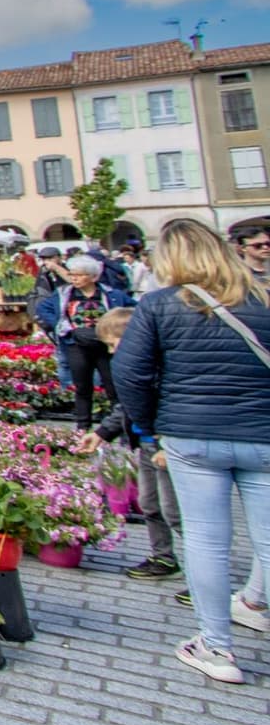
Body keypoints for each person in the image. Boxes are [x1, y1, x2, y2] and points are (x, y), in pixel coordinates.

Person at [112, 219, 270, 684]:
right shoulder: (262, 298)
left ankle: (217, 644)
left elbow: (131, 373)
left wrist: (153, 424)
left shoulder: (161, 303)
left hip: (192, 432)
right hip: (262, 430)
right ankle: (255, 602)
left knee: (205, 539)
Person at [77, 307, 182, 581]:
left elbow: (171, 408)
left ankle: (205, 575)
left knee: (176, 512)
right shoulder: (135, 369)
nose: (111, 352)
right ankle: (164, 557)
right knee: (149, 503)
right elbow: (128, 407)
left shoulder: (159, 369)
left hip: (165, 447)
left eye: (113, 344)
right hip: (145, 445)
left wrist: (164, 445)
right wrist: (101, 433)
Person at [37, 254, 134, 430]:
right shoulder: (64, 293)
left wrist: (119, 328)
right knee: (82, 387)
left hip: (105, 346)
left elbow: (132, 308)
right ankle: (82, 426)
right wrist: (60, 326)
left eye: (80, 275)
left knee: (113, 387)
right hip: (76, 345)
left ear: (93, 276)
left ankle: (119, 426)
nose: (74, 278)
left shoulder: (109, 294)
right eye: (72, 274)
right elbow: (42, 308)